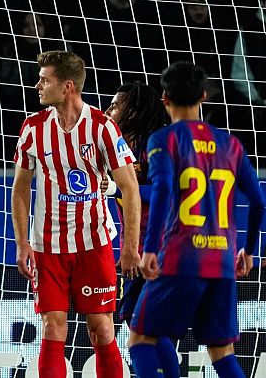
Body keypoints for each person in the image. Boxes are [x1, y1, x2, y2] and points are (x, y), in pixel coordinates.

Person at [127, 61, 266, 378]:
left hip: (181, 258)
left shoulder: (165, 139)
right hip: (222, 260)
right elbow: (258, 200)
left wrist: (149, 250)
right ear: (204, 96)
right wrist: (249, 249)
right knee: (222, 354)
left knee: (140, 340)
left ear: (165, 99)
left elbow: (162, 191)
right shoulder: (229, 143)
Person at [11, 50, 141, 378]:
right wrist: (22, 243)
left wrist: (130, 247)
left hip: (94, 242)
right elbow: (21, 188)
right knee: (53, 328)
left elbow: (130, 188)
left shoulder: (102, 127)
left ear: (68, 86)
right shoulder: (33, 128)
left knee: (101, 329)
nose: (38, 86)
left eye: (45, 80)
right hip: (47, 246)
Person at [102, 81, 179, 377]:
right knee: (140, 326)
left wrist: (115, 189)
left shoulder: (155, 145)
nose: (109, 110)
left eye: (115, 105)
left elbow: (167, 192)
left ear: (133, 112)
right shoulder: (118, 148)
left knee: (144, 331)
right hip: (138, 249)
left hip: (162, 248)